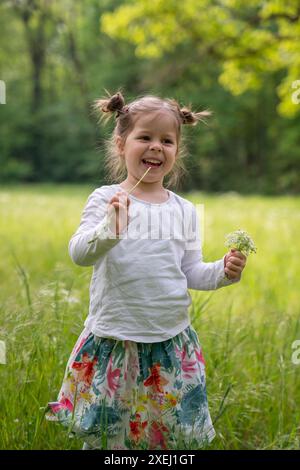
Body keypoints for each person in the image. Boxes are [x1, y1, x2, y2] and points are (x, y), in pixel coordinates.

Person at [45, 91, 246, 450]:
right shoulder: (107, 199)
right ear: (121, 144)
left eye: (166, 140)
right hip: (116, 340)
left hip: (169, 342)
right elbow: (79, 254)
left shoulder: (184, 210)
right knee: (110, 438)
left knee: (163, 438)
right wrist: (110, 229)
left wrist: (224, 272)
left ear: (177, 151)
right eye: (145, 137)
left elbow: (191, 271)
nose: (156, 147)